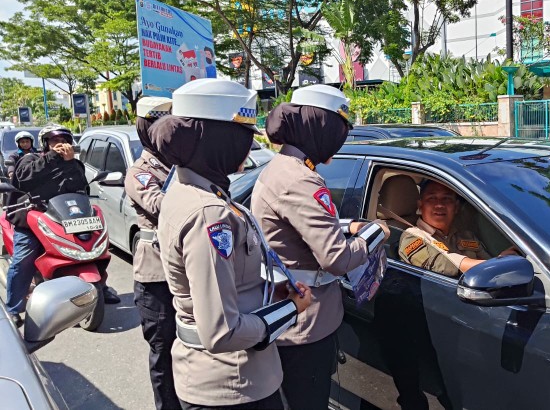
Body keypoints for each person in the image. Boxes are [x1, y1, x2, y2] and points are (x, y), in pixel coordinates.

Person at [151, 78, 313, 410]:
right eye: (242, 138)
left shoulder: (190, 190)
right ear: (219, 140)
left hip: (226, 378)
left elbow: (226, 284)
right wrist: (290, 309)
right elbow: (222, 331)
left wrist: (271, 295)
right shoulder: (209, 214)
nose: (247, 149)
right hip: (232, 384)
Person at [251, 84, 389, 409]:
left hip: (295, 316)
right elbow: (336, 257)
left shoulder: (283, 168)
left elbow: (299, 228)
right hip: (305, 324)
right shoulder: (301, 179)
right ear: (320, 129)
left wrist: (348, 226)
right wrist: (377, 233)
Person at [5, 124, 119, 328]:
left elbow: (79, 187)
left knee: (95, 247)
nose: (60, 144)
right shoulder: (31, 159)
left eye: (64, 140)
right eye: (54, 140)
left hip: (66, 217)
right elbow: (23, 179)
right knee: (23, 259)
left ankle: (100, 285)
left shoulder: (73, 163)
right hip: (34, 218)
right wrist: (54, 158)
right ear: (45, 144)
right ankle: (13, 308)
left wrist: (68, 163)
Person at [124, 96, 179, 410]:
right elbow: (162, 206)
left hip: (183, 269)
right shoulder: (140, 171)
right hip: (156, 273)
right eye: (157, 124)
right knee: (163, 350)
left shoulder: (180, 162)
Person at [399, 180, 516, 277]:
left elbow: (486, 260)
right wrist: (496, 266)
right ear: (420, 206)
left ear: (456, 207)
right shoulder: (413, 237)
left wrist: (502, 259)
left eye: (446, 199)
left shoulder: (466, 236)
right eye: (432, 198)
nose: (439, 205)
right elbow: (443, 266)